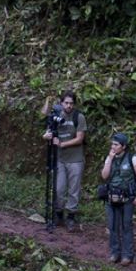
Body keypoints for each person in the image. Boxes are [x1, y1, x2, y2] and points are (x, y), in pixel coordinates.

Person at [40, 90, 87, 230]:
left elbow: (80, 138)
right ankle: (58, 215)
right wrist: (46, 137)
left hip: (76, 160)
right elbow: (47, 130)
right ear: (61, 103)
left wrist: (62, 144)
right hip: (60, 159)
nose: (69, 106)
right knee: (59, 189)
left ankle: (71, 217)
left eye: (71, 103)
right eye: (66, 103)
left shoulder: (79, 117)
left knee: (74, 190)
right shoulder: (56, 115)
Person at [99, 132, 136, 265]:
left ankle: (127, 255)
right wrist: (109, 159)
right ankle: (114, 252)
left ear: (123, 146)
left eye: (116, 145)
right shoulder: (110, 157)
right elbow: (104, 176)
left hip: (127, 198)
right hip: (111, 197)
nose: (113, 147)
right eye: (112, 144)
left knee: (126, 225)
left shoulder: (132, 158)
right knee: (113, 225)